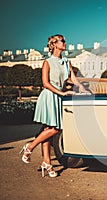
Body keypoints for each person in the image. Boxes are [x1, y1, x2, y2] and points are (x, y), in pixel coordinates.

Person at [19, 34, 88, 177]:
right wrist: (61, 93)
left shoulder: (66, 62)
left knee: (48, 130)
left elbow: (72, 78)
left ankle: (47, 163)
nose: (65, 43)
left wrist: (82, 88)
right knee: (55, 129)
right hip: (49, 96)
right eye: (62, 41)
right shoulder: (47, 62)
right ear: (55, 44)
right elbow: (45, 83)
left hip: (58, 96)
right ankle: (30, 147)